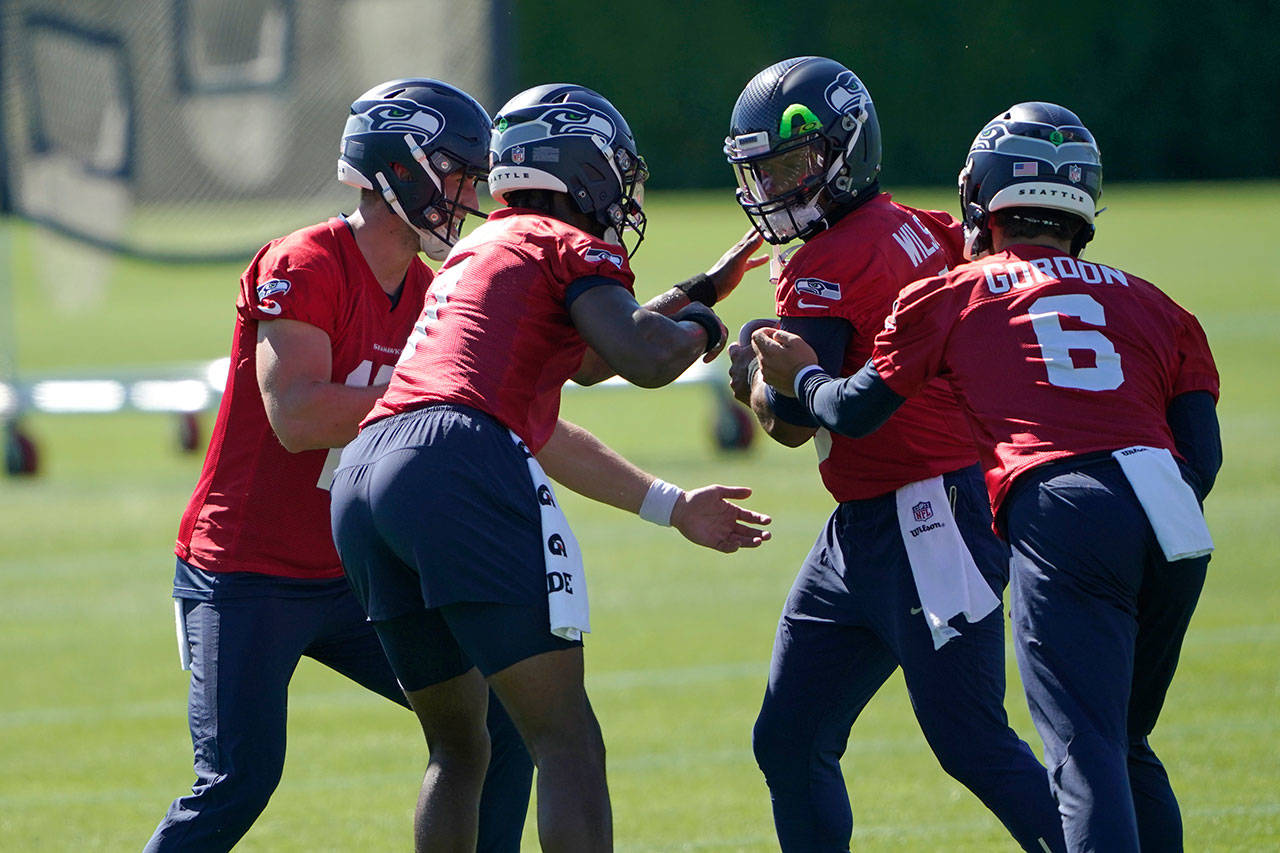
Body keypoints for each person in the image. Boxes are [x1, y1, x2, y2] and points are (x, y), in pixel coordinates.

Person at [754, 101, 1220, 853]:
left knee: (1048, 745)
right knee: (1121, 742)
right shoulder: (1153, 300)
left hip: (964, 507)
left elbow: (838, 411)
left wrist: (790, 379)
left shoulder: (945, 287)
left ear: (985, 197)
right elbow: (1203, 453)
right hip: (1155, 509)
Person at [328, 82, 772, 852]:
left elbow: (593, 358)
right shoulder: (566, 243)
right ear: (582, 168)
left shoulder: (485, 245)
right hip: (456, 461)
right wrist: (708, 324)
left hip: (367, 471)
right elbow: (638, 355)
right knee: (567, 739)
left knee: (459, 747)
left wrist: (691, 293)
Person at [145, 79, 535, 852]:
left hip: (355, 570)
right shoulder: (303, 261)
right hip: (245, 570)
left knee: (504, 724)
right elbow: (296, 416)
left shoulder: (430, 288)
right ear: (398, 171)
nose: (468, 195)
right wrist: (433, 386)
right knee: (237, 780)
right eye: (456, 173)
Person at [723, 57, 1065, 852]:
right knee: (790, 736)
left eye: (790, 167)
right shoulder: (927, 225)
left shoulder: (827, 260)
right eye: (764, 171)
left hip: (925, 517)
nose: (773, 188)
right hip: (878, 521)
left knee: (972, 741)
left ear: (844, 151)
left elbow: (794, 421)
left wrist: (750, 383)